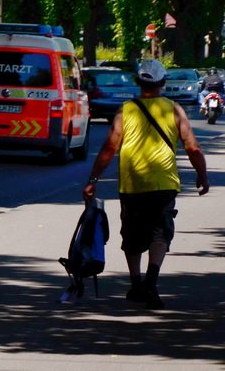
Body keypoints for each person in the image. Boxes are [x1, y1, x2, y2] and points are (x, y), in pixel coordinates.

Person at [83, 59, 210, 309]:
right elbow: (192, 147)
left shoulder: (126, 110)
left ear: (138, 83)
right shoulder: (173, 109)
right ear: (162, 82)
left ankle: (136, 283)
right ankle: (151, 283)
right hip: (164, 184)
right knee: (160, 233)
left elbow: (110, 147)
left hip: (133, 184)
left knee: (132, 234)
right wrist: (202, 176)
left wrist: (93, 180)